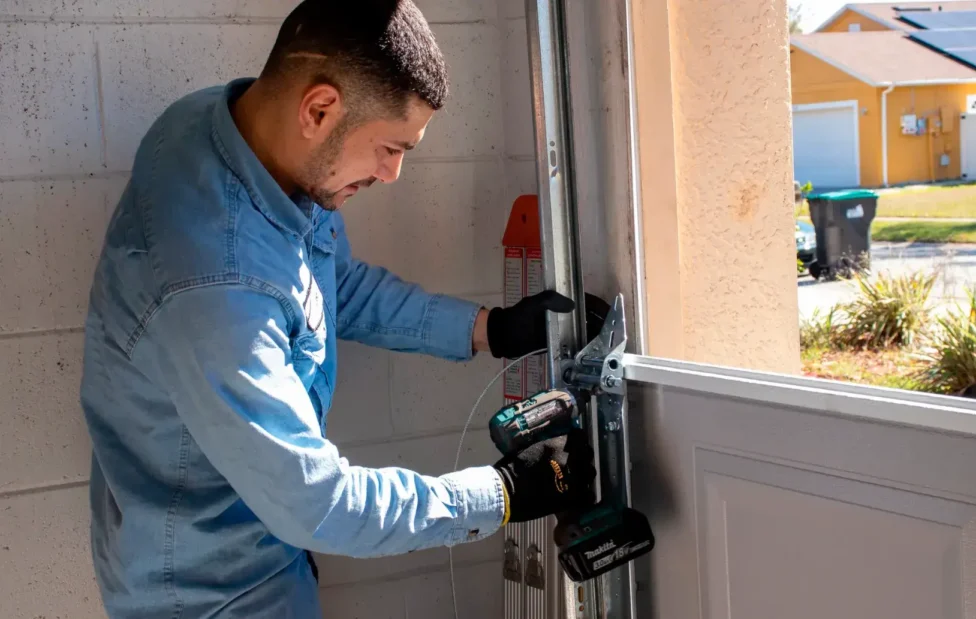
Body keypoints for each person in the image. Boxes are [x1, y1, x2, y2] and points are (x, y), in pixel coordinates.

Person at [78, 1, 600, 617]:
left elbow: (331, 290)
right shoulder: (217, 293)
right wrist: (501, 492)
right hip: (212, 595)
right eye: (388, 147)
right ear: (319, 109)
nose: (394, 173)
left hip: (255, 544)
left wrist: (490, 330)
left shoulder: (226, 135)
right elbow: (315, 504)